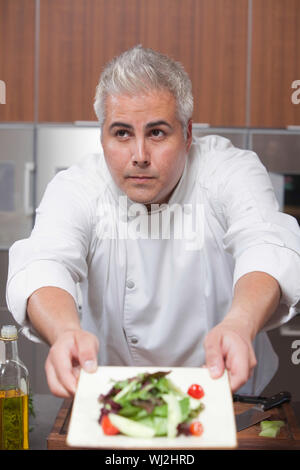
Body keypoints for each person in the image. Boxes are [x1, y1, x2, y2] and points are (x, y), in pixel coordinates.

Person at [6, 45, 300, 398]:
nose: (140, 156)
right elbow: (45, 263)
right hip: (116, 393)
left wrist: (239, 325)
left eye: (157, 133)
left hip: (229, 392)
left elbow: (265, 244)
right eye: (122, 133)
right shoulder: (78, 186)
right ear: (102, 136)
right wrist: (65, 332)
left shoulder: (229, 170)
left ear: (188, 134)